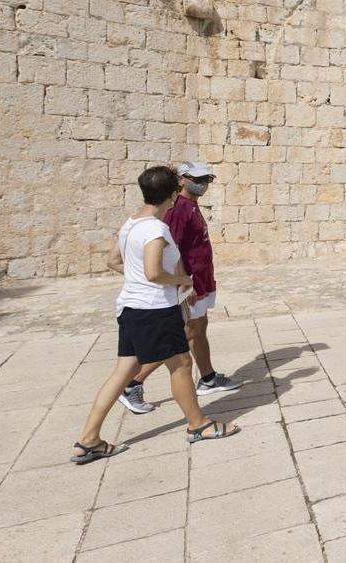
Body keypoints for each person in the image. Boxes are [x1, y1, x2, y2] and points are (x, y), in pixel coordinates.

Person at [71, 166, 239, 464]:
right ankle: (199, 425)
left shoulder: (132, 223)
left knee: (123, 373)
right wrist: (182, 281)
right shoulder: (156, 229)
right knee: (182, 364)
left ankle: (89, 440)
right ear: (173, 194)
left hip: (130, 308)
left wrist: (136, 276)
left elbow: (113, 260)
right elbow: (153, 272)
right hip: (155, 310)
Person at [117, 162, 241, 414]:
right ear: (181, 181)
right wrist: (185, 285)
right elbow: (169, 254)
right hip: (188, 283)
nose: (203, 183)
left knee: (198, 329)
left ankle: (207, 378)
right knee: (181, 338)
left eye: (207, 178)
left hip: (200, 280)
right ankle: (133, 383)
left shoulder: (190, 206)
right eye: (197, 178)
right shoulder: (178, 210)